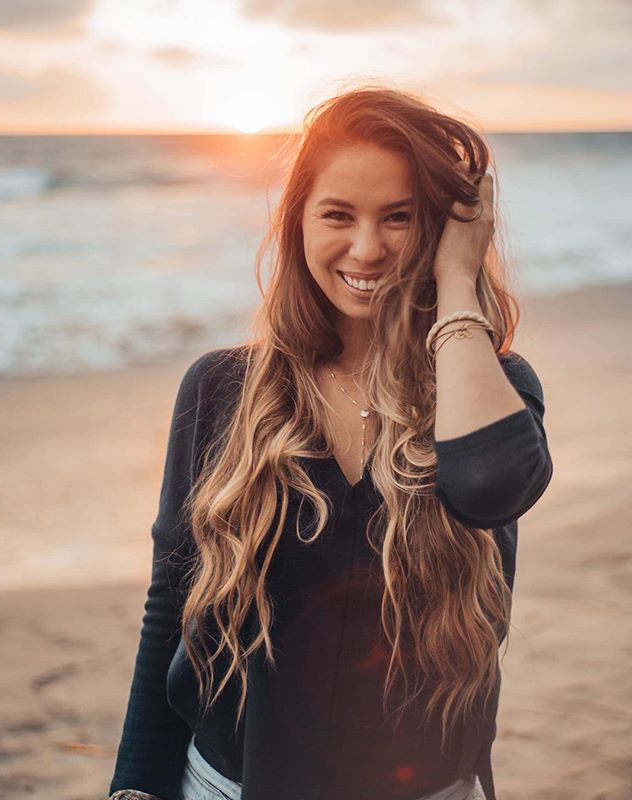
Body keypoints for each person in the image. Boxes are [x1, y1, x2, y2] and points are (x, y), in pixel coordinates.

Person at [107, 85, 553, 800]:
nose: (367, 249)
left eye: (400, 219)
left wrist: (460, 283)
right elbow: (172, 606)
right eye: (338, 215)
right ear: (299, 224)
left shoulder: (489, 389)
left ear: (441, 228)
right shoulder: (221, 390)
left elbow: (491, 485)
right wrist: (135, 786)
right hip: (222, 785)